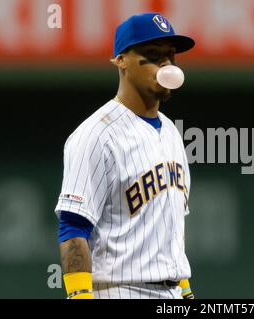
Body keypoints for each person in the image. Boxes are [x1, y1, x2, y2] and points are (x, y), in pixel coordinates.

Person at [55, 12, 195, 299]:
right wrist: (80, 296)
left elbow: (170, 233)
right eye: (153, 55)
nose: (166, 65)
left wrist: (186, 294)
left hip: (170, 295)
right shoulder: (95, 134)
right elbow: (73, 227)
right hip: (119, 290)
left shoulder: (170, 132)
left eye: (170, 56)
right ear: (120, 60)